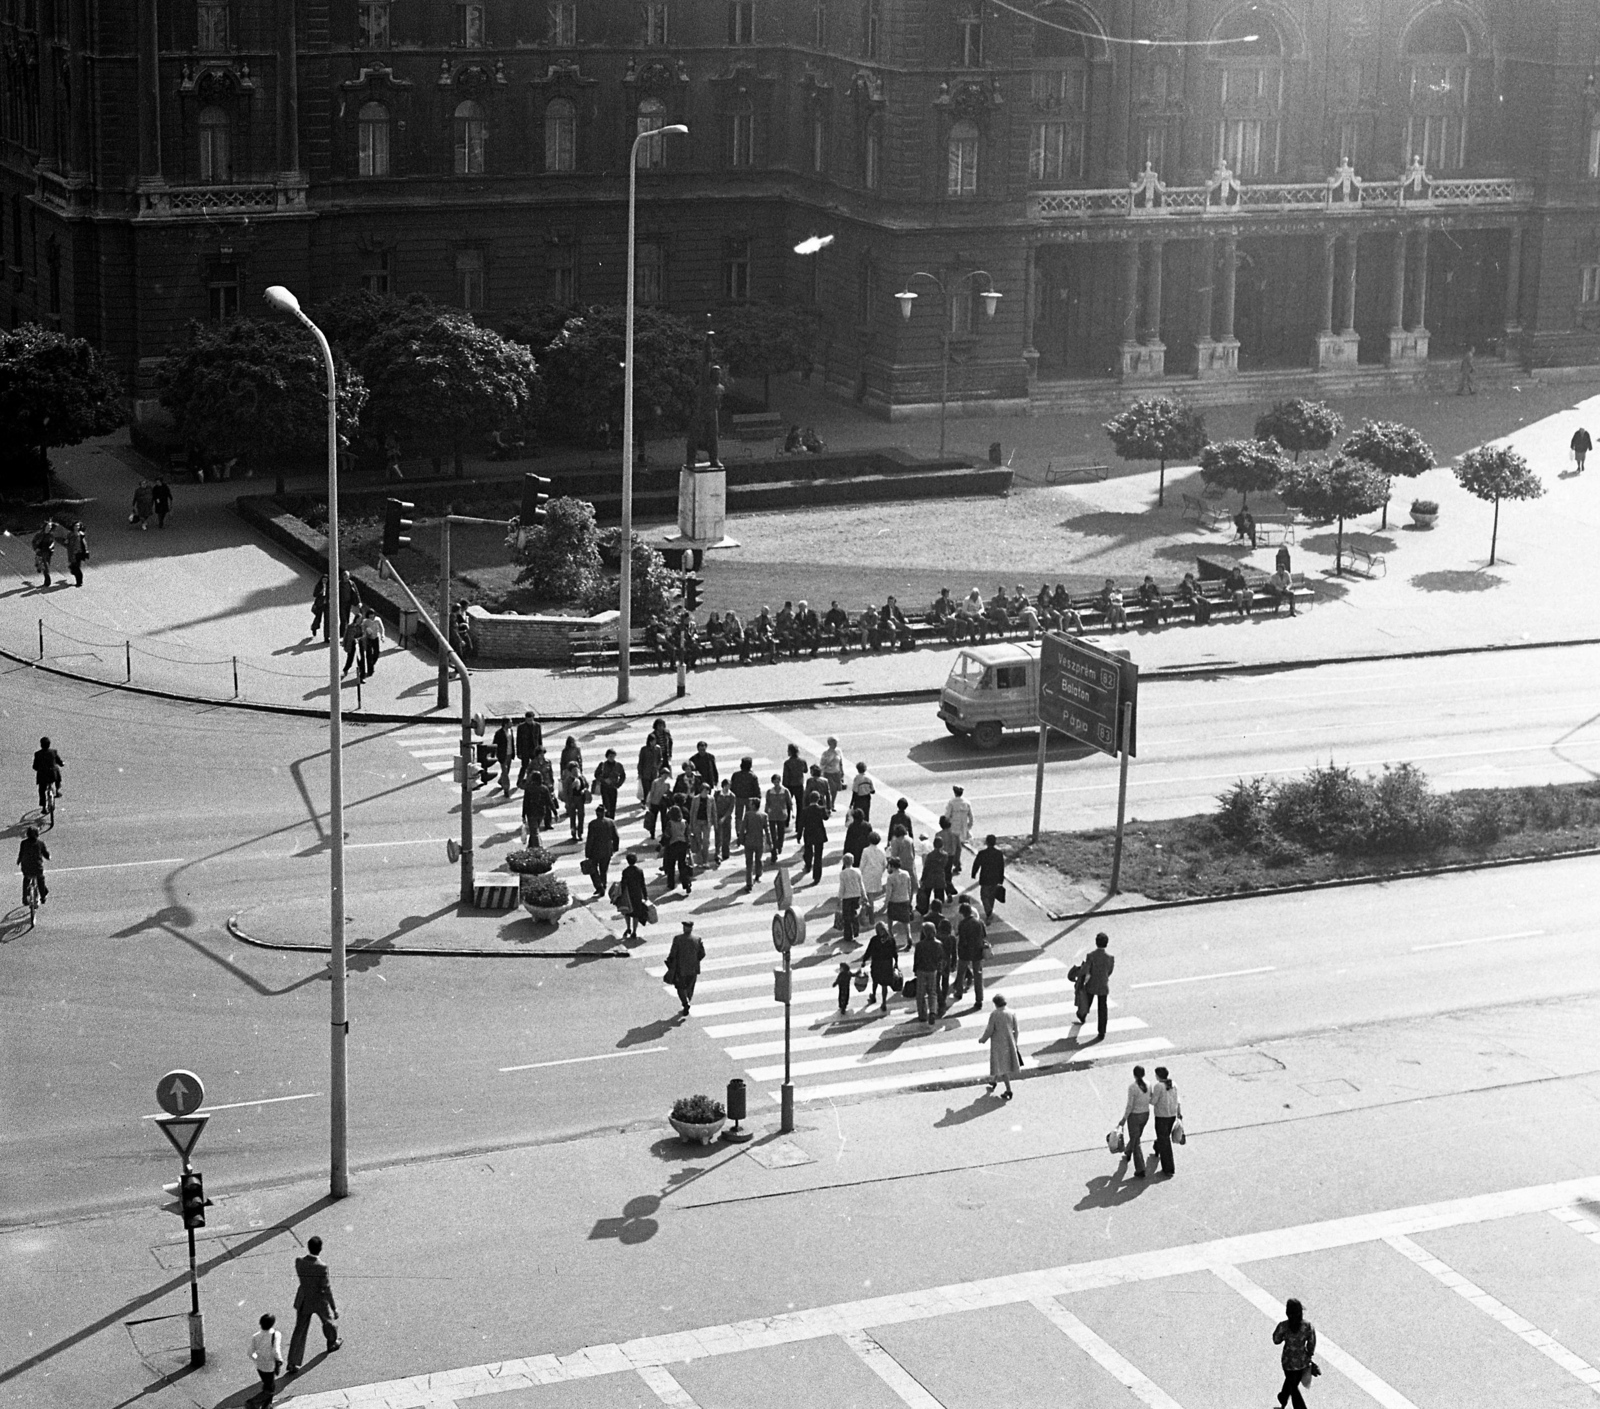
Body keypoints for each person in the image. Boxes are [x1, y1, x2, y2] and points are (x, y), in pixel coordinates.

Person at [284, 1235, 341, 1372]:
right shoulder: (322, 1267)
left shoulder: (299, 1262)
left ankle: (292, 1362)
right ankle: (332, 1342)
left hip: (304, 1299)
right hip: (319, 1300)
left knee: (299, 1330)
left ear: (308, 1247)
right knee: (329, 1322)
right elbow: (326, 1288)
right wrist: (334, 1307)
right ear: (320, 1249)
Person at [1272, 1299, 1318, 1409]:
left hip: (1288, 1362)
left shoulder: (1283, 1326)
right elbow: (1311, 1343)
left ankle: (1293, 1404)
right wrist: (1309, 1354)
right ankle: (1283, 1397)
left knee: (1292, 1385)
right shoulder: (1307, 1326)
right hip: (1302, 1362)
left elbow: (1276, 1340)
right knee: (1292, 1383)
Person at [980, 993, 1022, 1098]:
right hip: (1009, 1043)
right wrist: (1015, 1043)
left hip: (998, 1044)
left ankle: (1008, 1090)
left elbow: (990, 1030)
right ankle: (993, 1081)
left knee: (1002, 1067)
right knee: (1001, 1064)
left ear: (996, 1004)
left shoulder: (995, 1014)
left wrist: (983, 1039)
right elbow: (1016, 1030)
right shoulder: (1012, 1013)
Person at [1118, 1064, 1152, 1179]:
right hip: (1145, 1114)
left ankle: (1141, 1169)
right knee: (1136, 1137)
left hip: (1135, 1116)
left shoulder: (1132, 1087)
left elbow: (1130, 1105)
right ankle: (1128, 1151)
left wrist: (1124, 1118)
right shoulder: (1148, 1084)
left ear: (1134, 1074)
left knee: (1136, 1141)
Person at [665, 920, 704, 1016]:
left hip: (680, 968)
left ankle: (685, 1003)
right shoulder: (698, 939)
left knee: (680, 987)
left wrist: (670, 962)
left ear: (684, 928)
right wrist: (694, 960)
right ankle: (688, 1001)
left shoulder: (678, 939)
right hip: (693, 968)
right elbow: (702, 954)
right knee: (690, 987)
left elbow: (673, 953)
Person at [953, 900, 987, 1009]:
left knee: (961, 973)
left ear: (963, 913)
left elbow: (961, 938)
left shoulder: (963, 924)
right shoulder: (980, 922)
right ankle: (979, 999)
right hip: (978, 952)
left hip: (965, 952)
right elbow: (984, 935)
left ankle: (959, 992)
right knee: (978, 975)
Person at [1082, 930, 1115, 1040]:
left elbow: (1087, 972)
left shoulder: (1090, 956)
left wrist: (1083, 983)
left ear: (1096, 942)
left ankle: (1082, 1015)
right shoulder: (1110, 958)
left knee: (1087, 1002)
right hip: (1103, 985)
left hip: (1091, 984)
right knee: (1102, 1008)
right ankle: (1102, 1031)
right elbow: (1109, 972)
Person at [1151, 1065, 1182, 1176]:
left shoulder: (1158, 1086)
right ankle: (1157, 1146)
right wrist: (1179, 1113)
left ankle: (1168, 1168)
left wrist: (1148, 1096)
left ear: (1158, 1076)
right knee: (1164, 1137)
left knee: (1165, 1141)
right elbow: (1178, 1100)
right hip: (1172, 1115)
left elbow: (1154, 1101)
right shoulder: (1173, 1084)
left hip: (1161, 1116)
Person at [248, 1311, 283, 1408]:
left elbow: (250, 1352)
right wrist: (279, 1360)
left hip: (260, 1366)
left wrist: (257, 1359)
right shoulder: (276, 1335)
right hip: (270, 1366)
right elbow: (276, 1350)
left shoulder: (256, 1336)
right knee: (270, 1389)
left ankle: (267, 1406)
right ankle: (253, 1402)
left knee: (267, 1385)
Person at [584, 805, 619, 897]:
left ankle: (599, 886)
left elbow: (590, 839)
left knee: (593, 870)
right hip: (607, 850)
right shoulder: (611, 822)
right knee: (604, 870)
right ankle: (603, 884)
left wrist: (587, 852)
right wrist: (615, 847)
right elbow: (616, 837)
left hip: (595, 851)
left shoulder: (593, 824)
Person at [912, 923, 944, 1023]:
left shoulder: (920, 945)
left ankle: (922, 1014)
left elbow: (916, 959)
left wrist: (915, 970)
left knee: (920, 993)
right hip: (932, 970)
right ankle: (933, 1012)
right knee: (932, 992)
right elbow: (941, 958)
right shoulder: (938, 944)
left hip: (921, 970)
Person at [862, 922, 898, 1010]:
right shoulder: (891, 940)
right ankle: (884, 1002)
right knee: (884, 984)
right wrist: (896, 962)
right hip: (887, 965)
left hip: (876, 964)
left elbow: (869, 951)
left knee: (875, 981)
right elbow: (895, 952)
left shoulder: (874, 940)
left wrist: (864, 960)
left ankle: (873, 996)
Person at [971, 833, 1006, 922]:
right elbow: (1001, 867)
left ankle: (989, 912)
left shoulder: (982, 853)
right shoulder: (999, 854)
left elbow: (976, 864)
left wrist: (974, 873)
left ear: (986, 842)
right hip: (995, 879)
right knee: (991, 897)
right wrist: (1001, 879)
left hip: (985, 878)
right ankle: (989, 912)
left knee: (984, 896)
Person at [883, 856, 915, 950]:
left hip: (894, 901)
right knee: (906, 921)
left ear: (892, 866)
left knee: (890, 919)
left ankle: (891, 936)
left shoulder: (890, 877)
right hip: (904, 899)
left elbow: (889, 893)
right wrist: (909, 899)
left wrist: (885, 904)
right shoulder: (906, 874)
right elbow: (909, 888)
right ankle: (909, 938)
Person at [618, 852, 649, 943]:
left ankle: (628, 928)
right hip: (637, 894)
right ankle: (634, 931)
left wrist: (620, 894)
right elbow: (642, 884)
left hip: (628, 894)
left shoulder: (625, 871)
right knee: (636, 914)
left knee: (627, 912)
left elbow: (623, 883)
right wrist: (645, 895)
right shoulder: (639, 871)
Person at [800, 789, 829, 885]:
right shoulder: (821, 809)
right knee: (818, 855)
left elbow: (801, 823)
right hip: (819, 833)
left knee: (808, 851)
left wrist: (799, 835)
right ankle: (817, 876)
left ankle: (808, 865)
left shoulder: (805, 810)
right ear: (818, 799)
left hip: (808, 833)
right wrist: (824, 804)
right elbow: (826, 817)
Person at [663, 804, 693, 892]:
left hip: (673, 845)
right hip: (683, 845)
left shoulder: (670, 823)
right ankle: (686, 883)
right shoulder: (684, 822)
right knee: (682, 865)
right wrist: (688, 844)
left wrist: (663, 843)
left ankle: (671, 884)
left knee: (671, 865)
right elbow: (687, 834)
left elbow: (667, 835)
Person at [740, 796, 767, 892]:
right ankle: (758, 873)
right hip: (759, 841)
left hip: (749, 841)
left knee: (749, 863)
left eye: (750, 803)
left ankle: (749, 884)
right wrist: (770, 842)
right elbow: (767, 830)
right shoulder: (764, 815)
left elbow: (743, 828)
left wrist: (741, 839)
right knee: (758, 859)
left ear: (753, 806)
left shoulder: (747, 815)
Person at [858, 830, 886, 922]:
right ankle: (868, 912)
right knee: (872, 895)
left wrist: (859, 873)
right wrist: (881, 872)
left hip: (867, 874)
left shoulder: (866, 850)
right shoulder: (882, 850)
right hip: (877, 874)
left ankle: (870, 915)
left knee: (868, 895)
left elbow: (862, 864)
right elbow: (884, 863)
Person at [17, 826, 49, 906]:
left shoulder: (23, 843)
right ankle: (43, 897)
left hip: (26, 868)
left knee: (26, 880)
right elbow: (45, 854)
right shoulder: (40, 843)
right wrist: (48, 857)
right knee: (40, 880)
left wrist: (19, 861)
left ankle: (24, 899)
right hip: (37, 868)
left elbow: (21, 853)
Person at [32, 736, 64, 815]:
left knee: (42, 790)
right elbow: (59, 761)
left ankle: (43, 807)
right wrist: (62, 763)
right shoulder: (53, 752)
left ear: (41, 745)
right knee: (57, 773)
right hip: (52, 774)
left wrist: (39, 769)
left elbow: (35, 766)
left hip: (42, 776)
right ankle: (57, 791)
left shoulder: (37, 754)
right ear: (49, 745)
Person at [837, 855, 865, 943]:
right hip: (856, 895)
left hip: (847, 897)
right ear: (852, 861)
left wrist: (839, 898)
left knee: (847, 917)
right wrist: (864, 895)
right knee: (854, 913)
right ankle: (856, 930)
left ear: (844, 862)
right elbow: (861, 884)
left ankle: (848, 935)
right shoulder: (857, 871)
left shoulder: (843, 873)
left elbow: (842, 887)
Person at [763, 773, 791, 860]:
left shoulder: (785, 791)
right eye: (775, 782)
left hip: (781, 815)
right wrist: (766, 812)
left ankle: (780, 846)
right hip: (772, 815)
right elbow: (767, 803)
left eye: (778, 782)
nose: (776, 784)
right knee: (772, 833)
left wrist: (791, 813)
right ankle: (774, 850)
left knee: (781, 832)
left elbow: (789, 803)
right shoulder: (769, 792)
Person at [729, 756, 761, 832]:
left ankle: (738, 831)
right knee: (749, 815)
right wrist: (758, 797)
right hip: (749, 799)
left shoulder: (736, 775)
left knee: (738, 816)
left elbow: (732, 787)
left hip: (738, 798)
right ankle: (748, 830)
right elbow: (756, 788)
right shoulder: (753, 776)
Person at [593, 748, 626, 819]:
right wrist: (604, 780)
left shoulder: (618, 765)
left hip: (613, 788)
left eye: (613, 756)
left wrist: (618, 784)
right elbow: (596, 774)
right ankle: (606, 819)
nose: (612, 758)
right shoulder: (602, 765)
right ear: (607, 757)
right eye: (610, 756)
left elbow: (622, 776)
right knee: (606, 805)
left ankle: (611, 821)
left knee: (613, 806)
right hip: (604, 788)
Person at [520, 765, 548, 846]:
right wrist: (555, 812)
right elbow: (549, 801)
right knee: (534, 830)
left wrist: (523, 814)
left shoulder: (528, 788)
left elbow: (525, 802)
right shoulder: (544, 788)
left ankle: (536, 849)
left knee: (534, 832)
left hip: (531, 813)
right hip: (541, 812)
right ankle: (530, 847)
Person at [561, 758, 588, 841]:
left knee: (581, 816)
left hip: (580, 799)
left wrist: (584, 790)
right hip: (572, 800)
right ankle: (573, 832)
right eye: (574, 769)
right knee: (572, 817)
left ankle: (580, 833)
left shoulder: (581, 777)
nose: (576, 771)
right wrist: (568, 802)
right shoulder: (568, 780)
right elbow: (566, 792)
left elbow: (586, 785)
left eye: (577, 769)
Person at [713, 778, 735, 863]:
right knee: (718, 836)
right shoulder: (717, 794)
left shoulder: (732, 796)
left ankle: (725, 852)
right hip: (718, 817)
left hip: (727, 818)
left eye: (729, 786)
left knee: (727, 835)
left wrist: (724, 818)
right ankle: (717, 853)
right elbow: (714, 805)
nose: (727, 788)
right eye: (726, 786)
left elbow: (731, 808)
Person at [945, 785, 973, 850]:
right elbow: (971, 818)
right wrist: (968, 827)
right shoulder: (967, 803)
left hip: (954, 828)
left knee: (954, 846)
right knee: (962, 843)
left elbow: (947, 816)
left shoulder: (951, 802)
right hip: (963, 828)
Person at [820, 737, 845, 810]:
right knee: (831, 789)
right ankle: (828, 804)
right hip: (828, 773)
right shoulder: (826, 753)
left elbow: (840, 761)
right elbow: (822, 763)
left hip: (836, 772)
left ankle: (832, 803)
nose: (835, 744)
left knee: (836, 789)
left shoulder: (838, 751)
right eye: (834, 743)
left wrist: (842, 771)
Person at [31, 521, 55, 587]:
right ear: (45, 526)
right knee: (39, 563)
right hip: (40, 551)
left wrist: (51, 548)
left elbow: (52, 542)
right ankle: (39, 568)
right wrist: (36, 548)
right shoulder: (39, 534)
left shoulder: (51, 535)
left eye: (50, 527)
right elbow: (34, 541)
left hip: (47, 552)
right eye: (48, 526)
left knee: (46, 567)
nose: (49, 528)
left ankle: (47, 582)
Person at [64, 521, 89, 588]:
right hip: (72, 553)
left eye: (78, 526)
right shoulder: (70, 534)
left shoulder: (81, 534)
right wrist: (66, 542)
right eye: (75, 526)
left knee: (77, 568)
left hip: (79, 553)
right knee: (73, 567)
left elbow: (84, 543)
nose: (77, 527)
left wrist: (86, 551)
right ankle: (74, 573)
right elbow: (66, 542)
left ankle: (79, 582)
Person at [309, 574, 329, 640]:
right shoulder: (318, 586)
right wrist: (320, 592)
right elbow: (314, 595)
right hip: (319, 604)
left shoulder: (329, 587)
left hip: (327, 605)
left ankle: (326, 637)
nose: (324, 581)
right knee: (318, 618)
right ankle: (314, 627)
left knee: (327, 621)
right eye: (323, 580)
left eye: (326, 580)